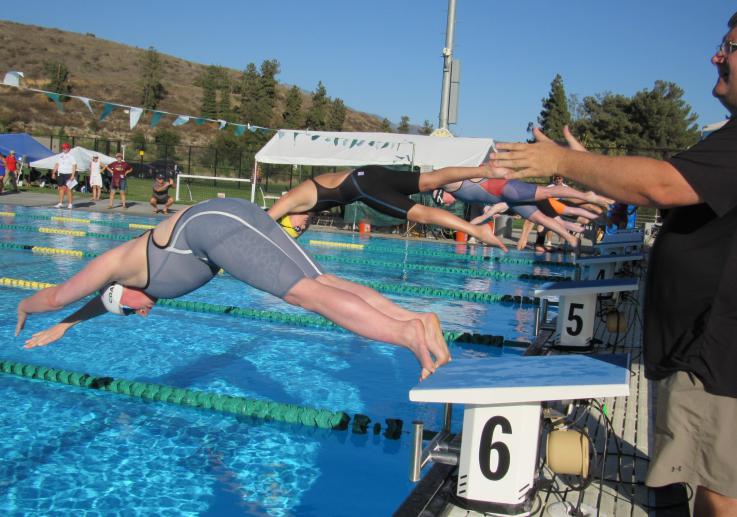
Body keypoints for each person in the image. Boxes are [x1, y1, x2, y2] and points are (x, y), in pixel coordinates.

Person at [489, 12, 737, 516]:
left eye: (730, 46)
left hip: (714, 350)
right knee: (705, 476)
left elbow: (661, 184)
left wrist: (561, 161)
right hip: (698, 344)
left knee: (718, 487)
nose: (717, 55)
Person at [15, 197, 451, 381]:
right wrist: (68, 326)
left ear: (119, 289)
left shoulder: (119, 264)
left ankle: (405, 336)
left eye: (129, 310)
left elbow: (56, 295)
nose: (141, 313)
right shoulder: (130, 287)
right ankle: (414, 320)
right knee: (324, 283)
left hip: (214, 224)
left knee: (304, 294)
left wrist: (27, 306)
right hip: (231, 218)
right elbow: (104, 303)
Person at [267, 164, 509, 250]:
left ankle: (477, 231)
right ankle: (485, 171)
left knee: (422, 215)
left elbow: (262, 220)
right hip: (368, 173)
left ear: (287, 218)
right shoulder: (304, 203)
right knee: (430, 179)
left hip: (363, 186)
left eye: (296, 230)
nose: (303, 228)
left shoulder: (290, 201)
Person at [438, 177, 612, 249]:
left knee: (549, 194)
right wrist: (468, 228)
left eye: (441, 200)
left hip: (506, 188)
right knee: (541, 219)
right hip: (508, 200)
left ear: (442, 192)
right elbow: (485, 215)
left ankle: (586, 195)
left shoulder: (452, 184)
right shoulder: (459, 195)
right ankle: (570, 238)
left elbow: (476, 174)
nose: (445, 204)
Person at [51, 143, 77, 209]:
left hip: (68, 174)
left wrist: (73, 175)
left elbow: (74, 166)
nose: (64, 149)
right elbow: (57, 164)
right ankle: (60, 203)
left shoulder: (71, 156)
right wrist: (54, 173)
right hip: (61, 173)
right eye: (63, 148)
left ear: (68, 148)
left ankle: (70, 204)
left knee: (68, 189)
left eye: (65, 148)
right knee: (61, 189)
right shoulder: (60, 156)